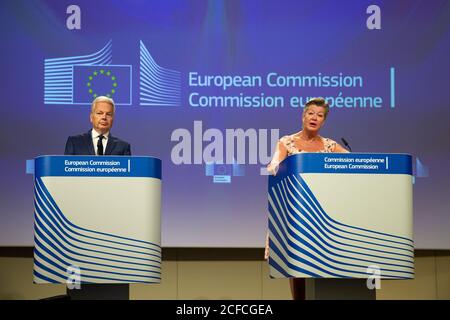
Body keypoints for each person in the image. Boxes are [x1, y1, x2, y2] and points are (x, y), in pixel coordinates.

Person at [265, 97, 349, 300]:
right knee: (298, 269)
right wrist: (275, 166)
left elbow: (352, 163)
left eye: (320, 115)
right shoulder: (287, 142)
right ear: (303, 116)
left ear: (323, 121)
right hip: (296, 214)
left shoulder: (330, 146)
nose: (314, 118)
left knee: (325, 266)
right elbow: (274, 163)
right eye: (311, 113)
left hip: (326, 216)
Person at [65, 96, 131, 156]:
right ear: (91, 117)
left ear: (113, 119)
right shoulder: (74, 142)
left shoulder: (123, 147)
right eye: (99, 113)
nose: (104, 117)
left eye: (108, 114)